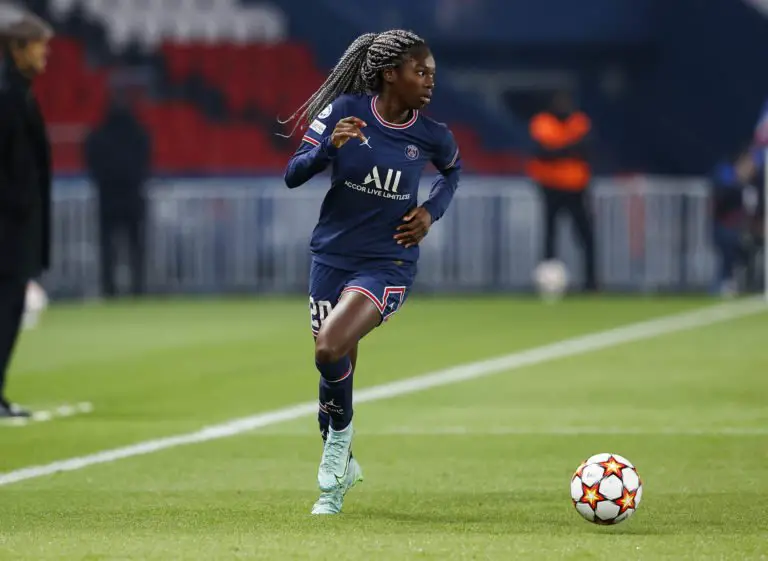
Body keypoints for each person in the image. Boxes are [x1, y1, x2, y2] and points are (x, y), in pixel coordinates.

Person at [282, 29, 461, 514]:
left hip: (388, 262)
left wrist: (431, 212)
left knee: (329, 345)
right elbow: (293, 173)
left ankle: (339, 443)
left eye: (432, 74)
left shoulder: (431, 134)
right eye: (420, 72)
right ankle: (338, 478)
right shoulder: (344, 112)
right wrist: (327, 149)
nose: (429, 81)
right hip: (331, 257)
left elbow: (452, 171)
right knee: (333, 372)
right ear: (389, 74)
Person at [0, 4, 53, 418]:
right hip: (6, 230)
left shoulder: (19, 93)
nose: (44, 54)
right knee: (4, 311)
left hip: (16, 228)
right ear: (18, 49)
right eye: (38, 46)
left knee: (10, 311)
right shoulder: (7, 96)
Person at [527, 90, 597, 291]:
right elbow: (544, 152)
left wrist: (558, 150)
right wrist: (568, 149)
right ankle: (547, 280)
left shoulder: (579, 122)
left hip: (576, 188)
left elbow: (586, 149)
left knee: (585, 234)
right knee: (550, 234)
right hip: (550, 187)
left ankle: (591, 282)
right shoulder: (542, 123)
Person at [84, 96, 152, 298]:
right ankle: (138, 289)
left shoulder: (98, 135)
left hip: (108, 199)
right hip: (133, 198)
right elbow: (145, 163)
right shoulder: (139, 134)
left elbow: (91, 164)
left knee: (108, 249)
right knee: (136, 249)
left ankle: (109, 289)